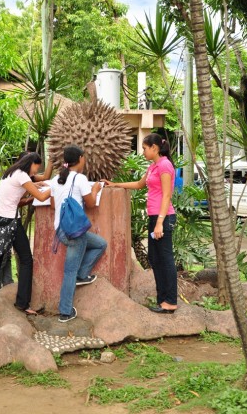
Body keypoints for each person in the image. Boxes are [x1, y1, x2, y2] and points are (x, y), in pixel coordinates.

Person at [102, 133, 177, 314]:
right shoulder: (153, 166)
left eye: (144, 148)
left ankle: (171, 301)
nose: (142, 152)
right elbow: (139, 184)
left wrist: (160, 222)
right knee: (154, 257)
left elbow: (167, 195)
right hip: (154, 216)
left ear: (154, 148)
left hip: (163, 217)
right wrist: (114, 184)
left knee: (165, 259)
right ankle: (162, 300)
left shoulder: (165, 165)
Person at [0, 152, 51, 315]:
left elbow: (27, 188)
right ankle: (22, 303)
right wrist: (55, 187)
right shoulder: (22, 176)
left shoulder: (11, 172)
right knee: (27, 259)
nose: (36, 171)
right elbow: (41, 197)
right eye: (36, 167)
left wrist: (37, 185)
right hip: (11, 223)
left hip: (0, 221)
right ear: (31, 163)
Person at [50, 145, 107, 323]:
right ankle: (65, 311)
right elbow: (91, 204)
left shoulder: (56, 178)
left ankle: (83, 274)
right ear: (81, 159)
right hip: (75, 233)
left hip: (61, 230)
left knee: (100, 244)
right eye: (84, 158)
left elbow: (53, 205)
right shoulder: (80, 179)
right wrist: (96, 188)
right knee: (69, 272)